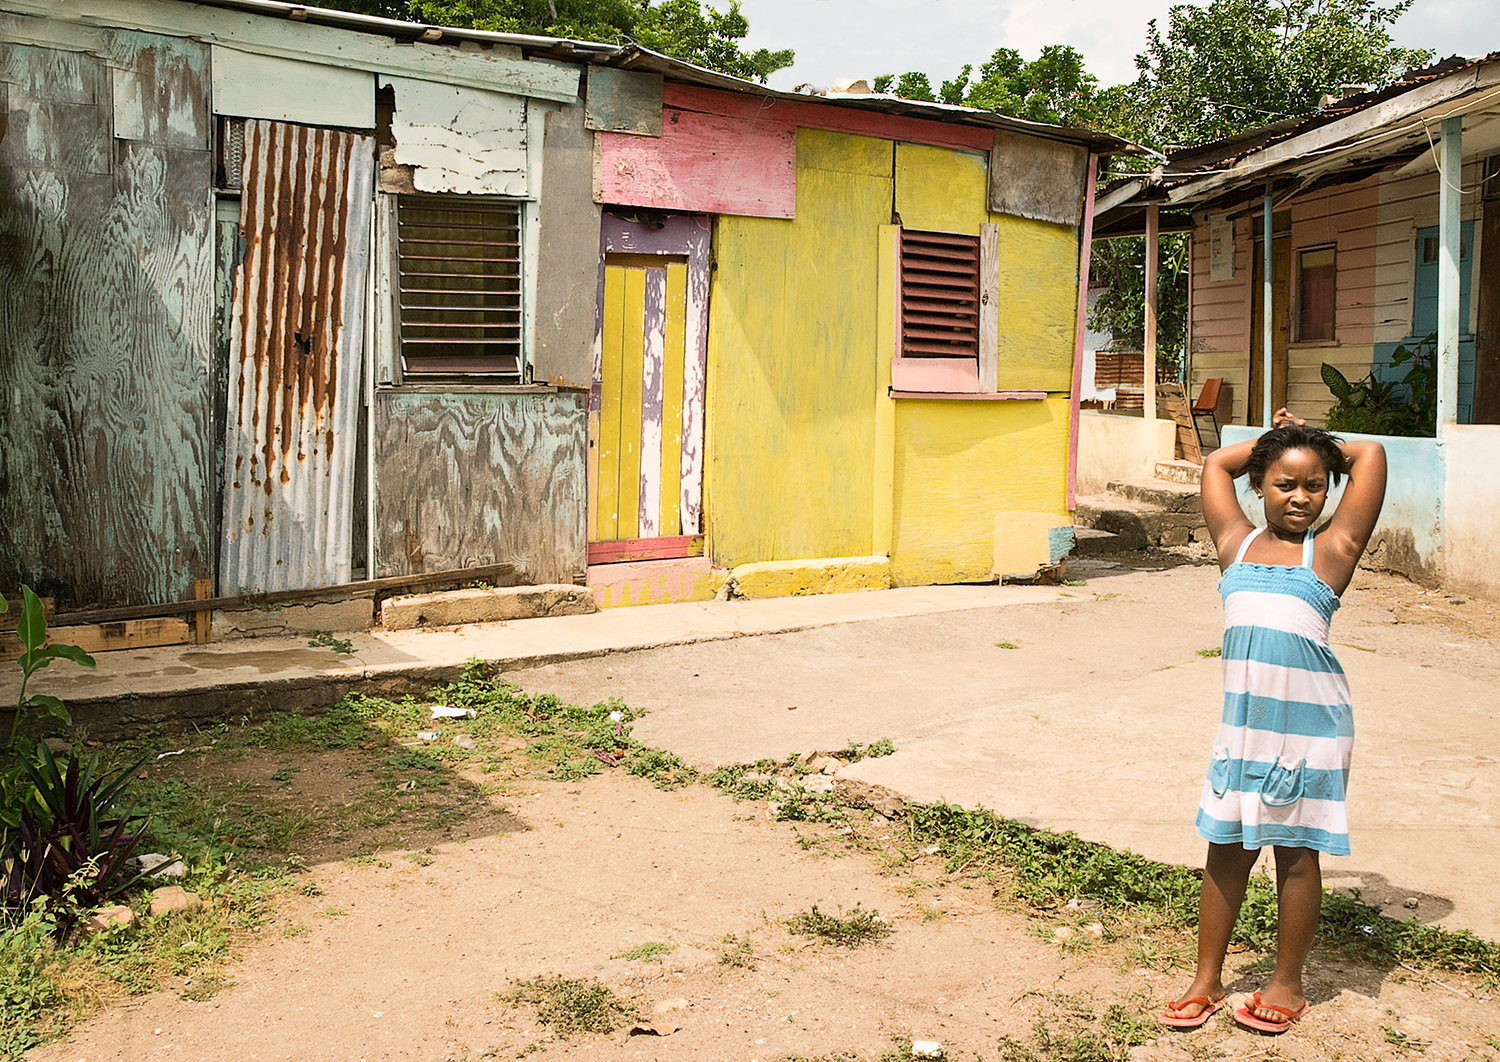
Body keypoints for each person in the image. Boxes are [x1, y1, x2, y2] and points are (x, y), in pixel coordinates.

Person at [1160, 408, 1387, 1035]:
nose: (1301, 497)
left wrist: (1312, 438)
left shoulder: (1332, 550)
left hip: (1310, 730)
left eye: (1315, 484)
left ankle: (1287, 984)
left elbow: (1369, 456)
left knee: (1295, 854)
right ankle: (1206, 978)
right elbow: (1215, 463)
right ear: (1258, 485)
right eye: (1284, 483)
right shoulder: (1235, 544)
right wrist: (1274, 443)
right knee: (1226, 851)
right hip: (1244, 728)